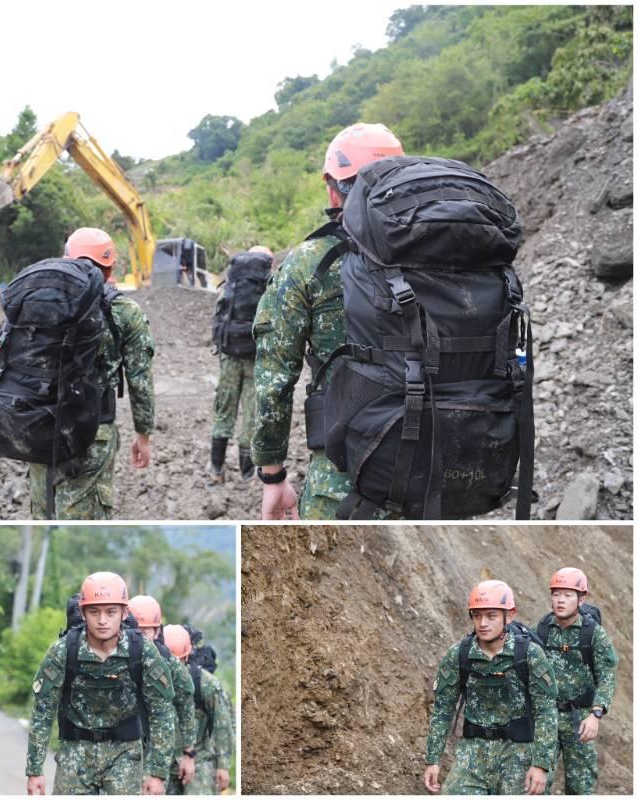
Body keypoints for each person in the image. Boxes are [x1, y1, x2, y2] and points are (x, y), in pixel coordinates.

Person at [251, 123, 404, 520]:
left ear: (332, 187)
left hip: (346, 479)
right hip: (437, 470)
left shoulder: (310, 262)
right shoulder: (444, 248)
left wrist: (273, 476)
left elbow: (273, 378)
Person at [29, 228, 155, 519]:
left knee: (42, 519)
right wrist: (143, 434)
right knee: (86, 525)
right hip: (92, 434)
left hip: (38, 427)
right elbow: (140, 379)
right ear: (110, 267)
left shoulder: (39, 301)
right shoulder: (124, 311)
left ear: (65, 259)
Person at [26, 572, 175, 795]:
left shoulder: (142, 652)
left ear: (124, 613)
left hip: (125, 754)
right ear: (83, 613)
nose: (102, 620)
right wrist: (35, 769)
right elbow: (43, 712)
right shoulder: (64, 650)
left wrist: (157, 773)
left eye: (111, 612)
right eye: (94, 612)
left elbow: (161, 712)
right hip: (75, 753)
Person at [423, 580, 558, 795]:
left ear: (509, 615)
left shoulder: (530, 655)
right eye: (477, 616)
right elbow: (443, 710)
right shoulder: (459, 655)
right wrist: (433, 760)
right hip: (473, 754)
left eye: (491, 616)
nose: (483, 623)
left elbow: (546, 712)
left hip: (520, 753)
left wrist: (541, 765)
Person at [532, 567, 618, 794]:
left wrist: (596, 713)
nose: (560, 600)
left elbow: (607, 675)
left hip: (579, 720)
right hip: (545, 719)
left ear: (581, 599)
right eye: (556, 594)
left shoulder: (593, 634)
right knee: (537, 785)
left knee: (580, 787)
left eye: (568, 595)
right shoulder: (540, 630)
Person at [210, 245, 274, 483]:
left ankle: (215, 471)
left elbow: (219, 316)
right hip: (256, 358)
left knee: (223, 413)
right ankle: (247, 476)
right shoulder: (269, 285)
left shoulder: (231, 283)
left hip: (229, 356)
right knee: (250, 415)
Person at [128, 595, 198, 790]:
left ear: (157, 631)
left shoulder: (168, 663)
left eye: (145, 631)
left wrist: (188, 753)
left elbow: (185, 704)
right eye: (134, 630)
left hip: (154, 750)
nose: (139, 637)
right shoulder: (112, 655)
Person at [164, 625, 233, 795]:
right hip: (162, 762)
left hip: (200, 758)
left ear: (186, 657)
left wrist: (222, 766)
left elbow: (222, 724)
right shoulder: (149, 682)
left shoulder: (205, 683)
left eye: (177, 662)